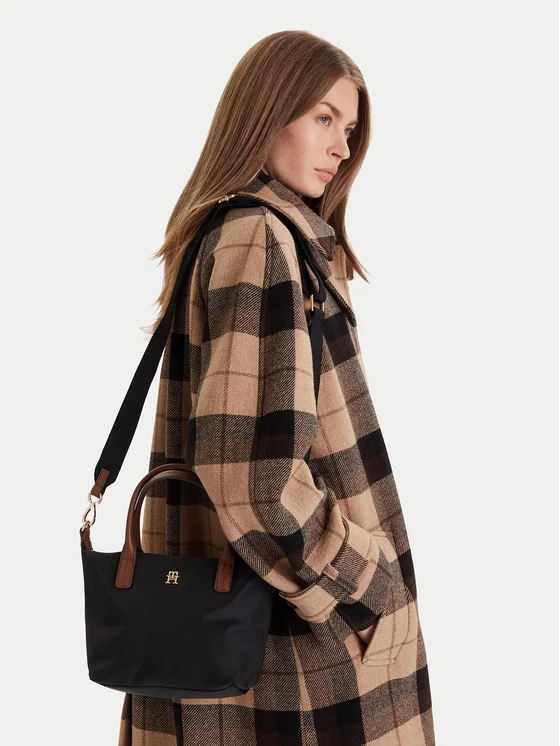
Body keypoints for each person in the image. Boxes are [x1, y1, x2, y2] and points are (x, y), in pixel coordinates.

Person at [118, 29, 435, 746]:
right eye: (324, 117)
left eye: (349, 129)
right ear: (266, 112)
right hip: (293, 661)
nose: (342, 147)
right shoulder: (260, 238)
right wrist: (367, 585)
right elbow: (252, 479)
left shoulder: (241, 232)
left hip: (247, 639)